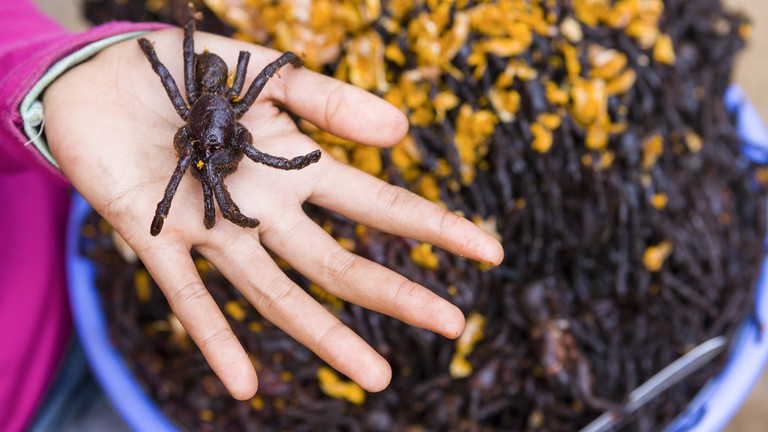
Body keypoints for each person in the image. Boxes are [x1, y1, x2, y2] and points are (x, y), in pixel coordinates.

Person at [0, 1, 504, 430]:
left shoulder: (234, 120)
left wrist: (59, 78)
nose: (213, 158)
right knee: (194, 163)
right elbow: (183, 119)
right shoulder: (195, 133)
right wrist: (161, 58)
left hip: (45, 264)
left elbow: (256, 128)